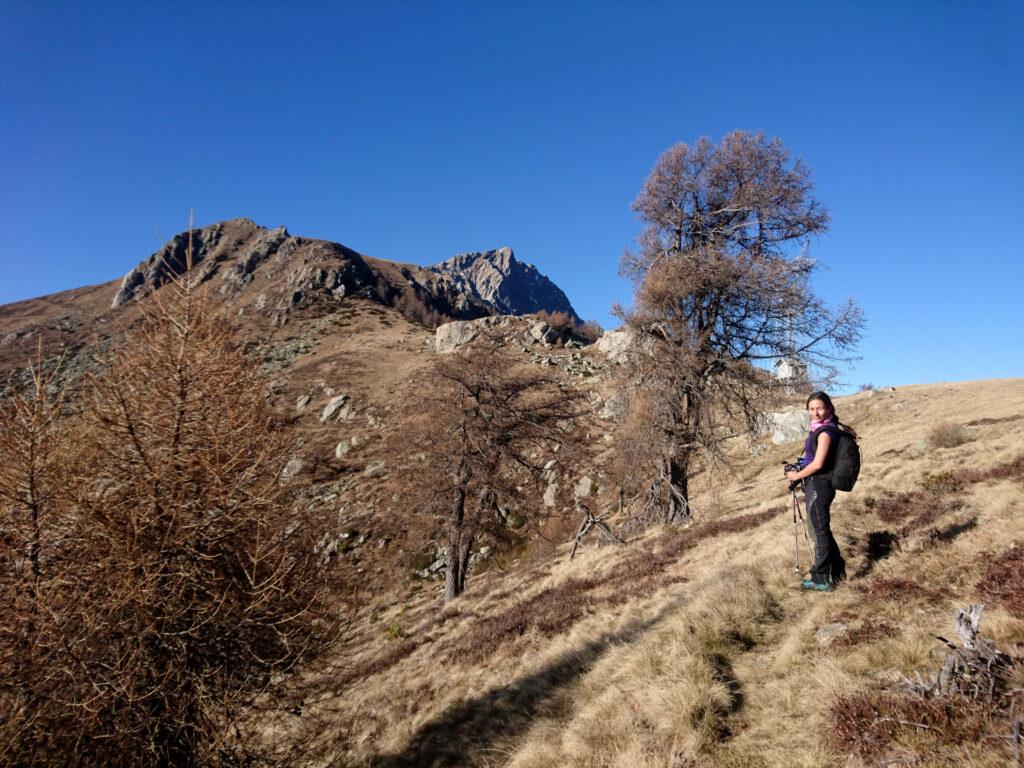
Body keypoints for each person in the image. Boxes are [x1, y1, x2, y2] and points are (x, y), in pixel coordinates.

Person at [784, 391, 854, 591]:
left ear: (829, 408)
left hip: (820, 485)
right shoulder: (820, 429)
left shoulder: (825, 433)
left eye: (820, 408)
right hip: (816, 483)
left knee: (819, 531)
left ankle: (821, 577)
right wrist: (798, 467)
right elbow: (810, 460)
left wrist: (796, 476)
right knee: (820, 529)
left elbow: (818, 464)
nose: (816, 413)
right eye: (811, 409)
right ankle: (838, 570)